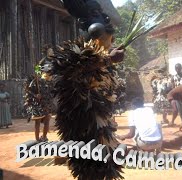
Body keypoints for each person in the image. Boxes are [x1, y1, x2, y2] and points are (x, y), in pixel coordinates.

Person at [39, 1, 125, 179]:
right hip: (83, 127)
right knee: (90, 169)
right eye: (107, 44)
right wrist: (106, 60)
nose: (110, 47)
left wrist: (107, 59)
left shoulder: (99, 59)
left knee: (106, 167)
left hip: (101, 125)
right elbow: (66, 71)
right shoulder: (73, 56)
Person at [24, 75, 52, 142]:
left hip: (46, 104)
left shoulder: (50, 84)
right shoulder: (35, 82)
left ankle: (44, 137)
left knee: (47, 121)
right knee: (38, 122)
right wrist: (35, 95)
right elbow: (28, 91)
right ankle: (37, 139)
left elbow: (51, 94)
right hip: (37, 105)